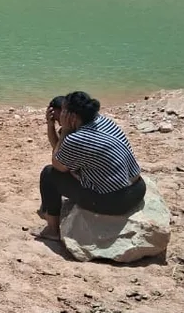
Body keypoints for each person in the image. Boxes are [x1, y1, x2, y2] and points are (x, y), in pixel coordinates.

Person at [37, 90, 146, 241]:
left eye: (62, 114)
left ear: (72, 116)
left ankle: (52, 230)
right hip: (138, 189)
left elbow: (58, 165)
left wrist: (64, 132)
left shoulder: (77, 139)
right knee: (69, 168)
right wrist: (52, 126)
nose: (59, 118)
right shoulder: (104, 121)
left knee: (49, 174)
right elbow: (63, 155)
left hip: (116, 202)